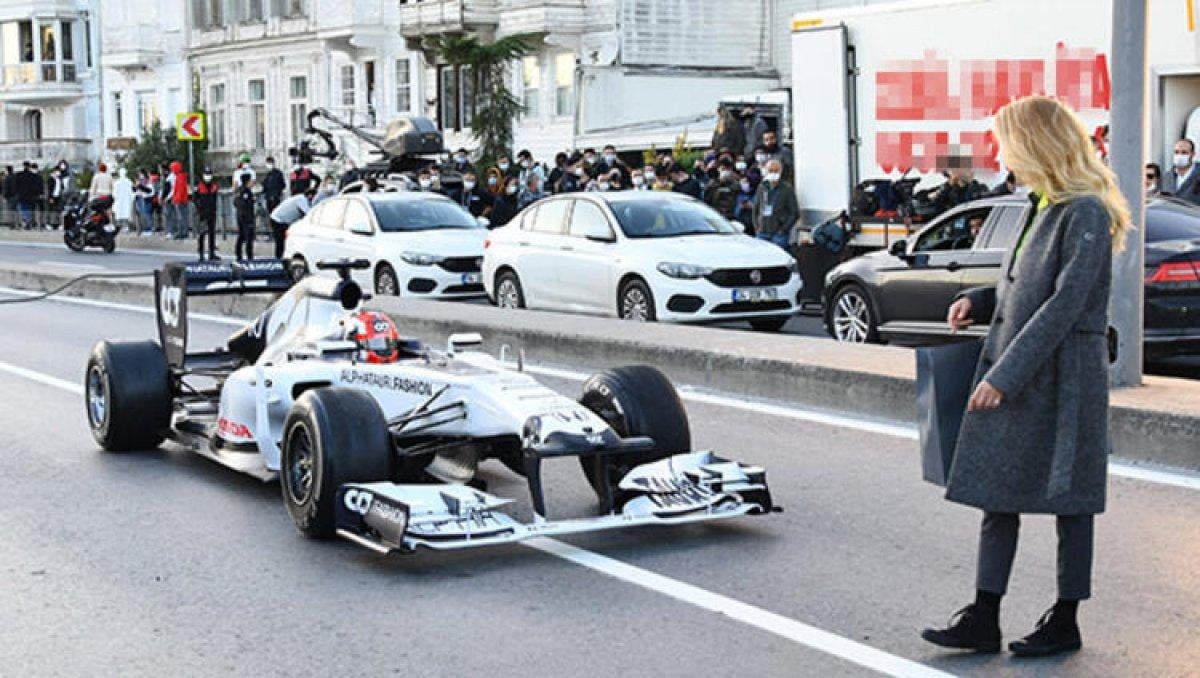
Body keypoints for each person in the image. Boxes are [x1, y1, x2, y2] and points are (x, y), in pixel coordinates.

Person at [922, 95, 1130, 658]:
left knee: (1072, 500)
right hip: (1026, 363)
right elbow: (1027, 289)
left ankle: (1066, 618)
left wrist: (1005, 377)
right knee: (998, 491)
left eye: (1007, 141)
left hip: (1065, 376)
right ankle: (983, 617)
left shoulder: (1084, 210)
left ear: (1036, 143)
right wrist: (979, 299)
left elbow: (1064, 305)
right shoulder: (1041, 203)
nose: (1000, 152)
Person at [752, 159, 798, 249]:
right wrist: (757, 226)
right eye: (770, 170)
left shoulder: (787, 188)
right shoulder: (762, 187)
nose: (773, 173)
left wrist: (783, 229)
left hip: (779, 233)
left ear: (780, 171)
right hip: (762, 231)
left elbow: (794, 212)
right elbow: (756, 208)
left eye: (776, 171)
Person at [269, 186, 316, 259]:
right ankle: (278, 260)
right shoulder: (301, 199)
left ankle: (282, 258)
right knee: (280, 241)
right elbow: (308, 212)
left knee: (285, 241)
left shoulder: (301, 198)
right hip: (278, 220)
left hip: (282, 221)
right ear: (310, 195)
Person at [193, 168, 220, 260]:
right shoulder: (199, 187)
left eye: (209, 174)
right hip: (202, 214)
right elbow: (195, 199)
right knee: (202, 234)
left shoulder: (214, 186)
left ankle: (211, 253)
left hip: (212, 212)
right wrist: (199, 209)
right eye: (206, 174)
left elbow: (215, 199)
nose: (208, 177)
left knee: (212, 234)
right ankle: (201, 254)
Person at [1162, 138, 1200, 204]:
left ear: (1193, 154)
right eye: (1176, 152)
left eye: (1184, 152)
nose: (1179, 156)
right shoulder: (1167, 177)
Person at [233, 173, 257, 261]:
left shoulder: (239, 190)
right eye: (251, 181)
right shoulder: (246, 192)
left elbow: (235, 202)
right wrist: (252, 201)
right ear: (247, 182)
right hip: (246, 217)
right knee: (248, 237)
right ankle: (249, 256)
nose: (252, 183)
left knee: (241, 236)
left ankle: (238, 254)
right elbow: (244, 204)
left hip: (240, 216)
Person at [13, 161, 42, 230]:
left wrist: (17, 193)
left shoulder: (19, 175)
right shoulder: (33, 176)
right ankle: (28, 222)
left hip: (22, 195)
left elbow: (16, 185)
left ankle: (25, 222)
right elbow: (36, 186)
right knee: (30, 209)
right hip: (31, 196)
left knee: (23, 209)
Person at [168, 161, 190, 240]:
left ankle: (182, 232)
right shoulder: (182, 176)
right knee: (183, 216)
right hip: (182, 199)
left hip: (179, 200)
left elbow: (179, 190)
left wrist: (176, 199)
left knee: (180, 217)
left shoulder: (179, 177)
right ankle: (183, 231)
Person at [113, 168, 135, 233]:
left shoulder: (117, 182)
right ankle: (125, 227)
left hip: (120, 200)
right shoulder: (129, 181)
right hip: (126, 200)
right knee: (126, 213)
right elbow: (132, 192)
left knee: (121, 213)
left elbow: (114, 193)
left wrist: (115, 198)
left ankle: (122, 227)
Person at [134, 170, 155, 235]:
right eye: (139, 174)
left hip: (148, 199)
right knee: (144, 215)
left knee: (148, 214)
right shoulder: (140, 182)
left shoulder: (148, 181)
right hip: (141, 199)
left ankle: (150, 229)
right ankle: (146, 229)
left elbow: (150, 191)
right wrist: (136, 187)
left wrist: (140, 186)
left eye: (141, 174)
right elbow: (137, 191)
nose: (140, 176)